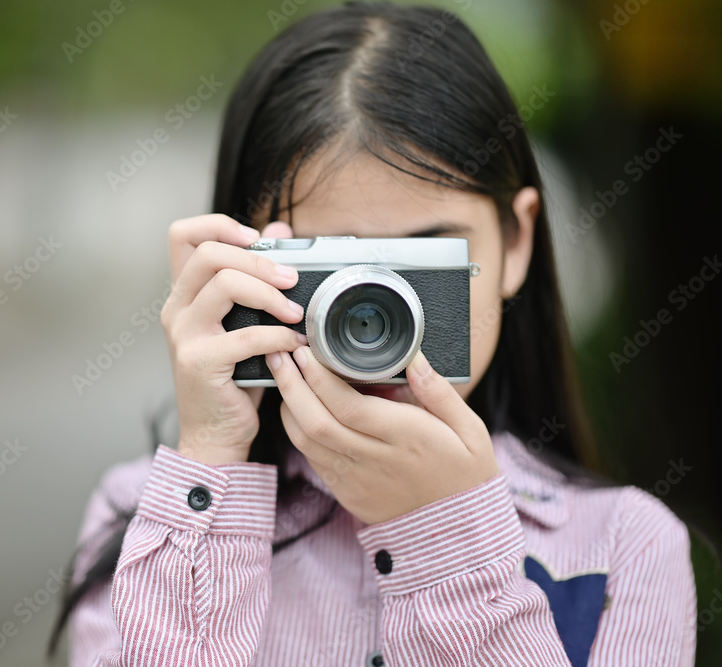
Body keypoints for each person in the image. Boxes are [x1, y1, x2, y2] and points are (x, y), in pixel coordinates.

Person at [49, 2, 697, 665]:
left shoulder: (622, 547)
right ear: (243, 259)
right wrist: (211, 458)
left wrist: (449, 540)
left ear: (516, 240)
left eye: (425, 258)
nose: (377, 311)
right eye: (330, 260)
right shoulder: (147, 520)